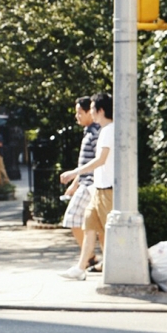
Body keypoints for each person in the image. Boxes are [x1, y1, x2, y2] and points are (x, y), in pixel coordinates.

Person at [59, 92, 114, 281]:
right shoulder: (104, 130)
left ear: (100, 110)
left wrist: (74, 173)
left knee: (106, 230)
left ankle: (107, 265)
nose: (90, 112)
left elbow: (100, 160)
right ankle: (81, 268)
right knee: (89, 226)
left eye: (92, 108)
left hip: (106, 189)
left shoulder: (108, 131)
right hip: (99, 188)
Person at [59, 97, 100, 268]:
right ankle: (92, 257)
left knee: (73, 218)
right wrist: (75, 184)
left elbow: (99, 161)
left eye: (79, 113)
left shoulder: (96, 133)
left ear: (90, 112)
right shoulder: (89, 131)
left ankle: (89, 257)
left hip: (91, 184)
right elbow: (84, 164)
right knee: (90, 222)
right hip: (86, 183)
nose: (77, 116)